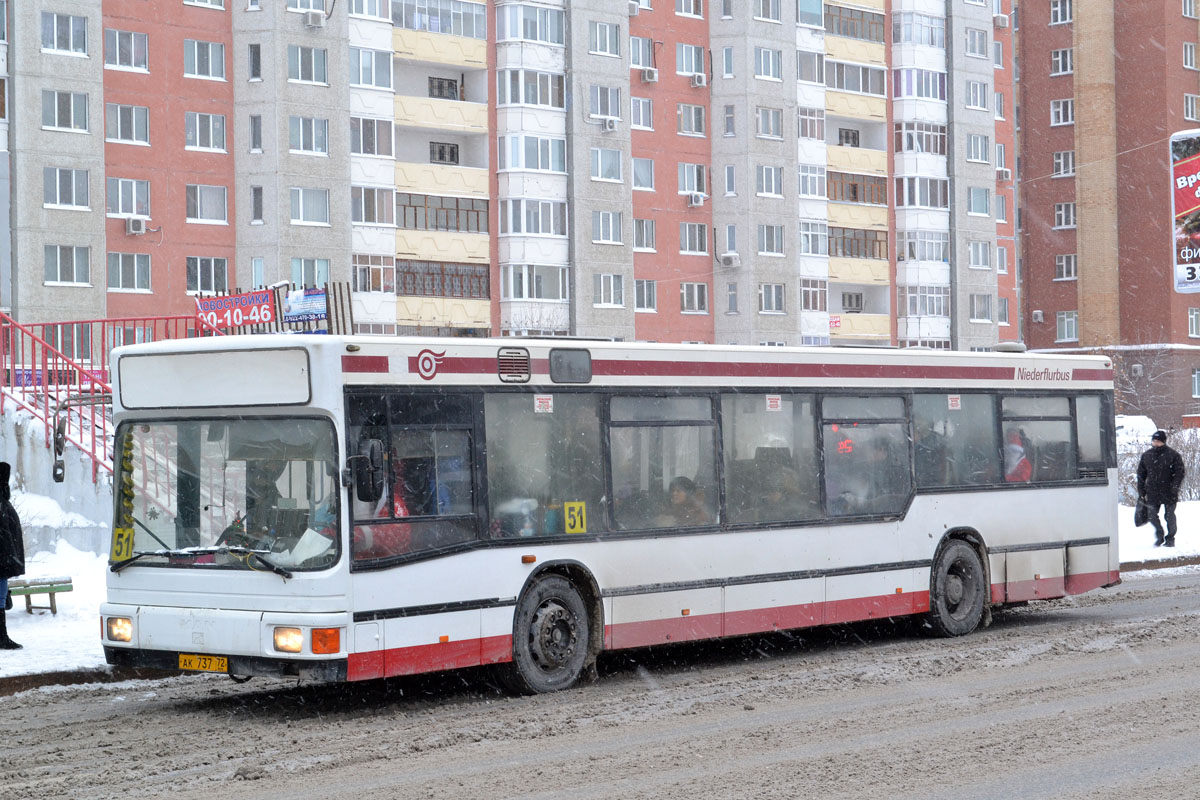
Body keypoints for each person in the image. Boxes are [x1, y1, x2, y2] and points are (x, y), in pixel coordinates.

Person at [1137, 429, 1186, 547]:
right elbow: (1141, 474)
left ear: (1164, 441)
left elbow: (1179, 473)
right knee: (1152, 515)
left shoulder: (1173, 455)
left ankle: (1170, 538)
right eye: (1154, 440)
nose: (1156, 443)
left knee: (1169, 516)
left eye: (1158, 441)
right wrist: (1141, 489)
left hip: (1169, 491)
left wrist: (1174, 487)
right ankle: (1160, 535)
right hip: (1152, 490)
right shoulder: (1147, 455)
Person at [0, 462, 25, 650]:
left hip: (4, 562)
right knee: (0, 600)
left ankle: (2, 636)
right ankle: (1, 636)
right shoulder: (1, 504)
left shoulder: (3, 503)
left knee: (1, 599)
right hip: (2, 562)